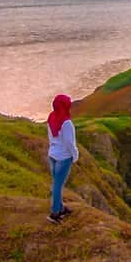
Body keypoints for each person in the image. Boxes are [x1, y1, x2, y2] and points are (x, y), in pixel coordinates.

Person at [46, 93, 78, 222]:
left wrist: (53, 148)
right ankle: (55, 213)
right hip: (64, 157)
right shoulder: (66, 123)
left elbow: (50, 137)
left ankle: (60, 207)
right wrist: (75, 155)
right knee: (58, 185)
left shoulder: (51, 117)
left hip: (53, 154)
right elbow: (69, 142)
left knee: (56, 183)